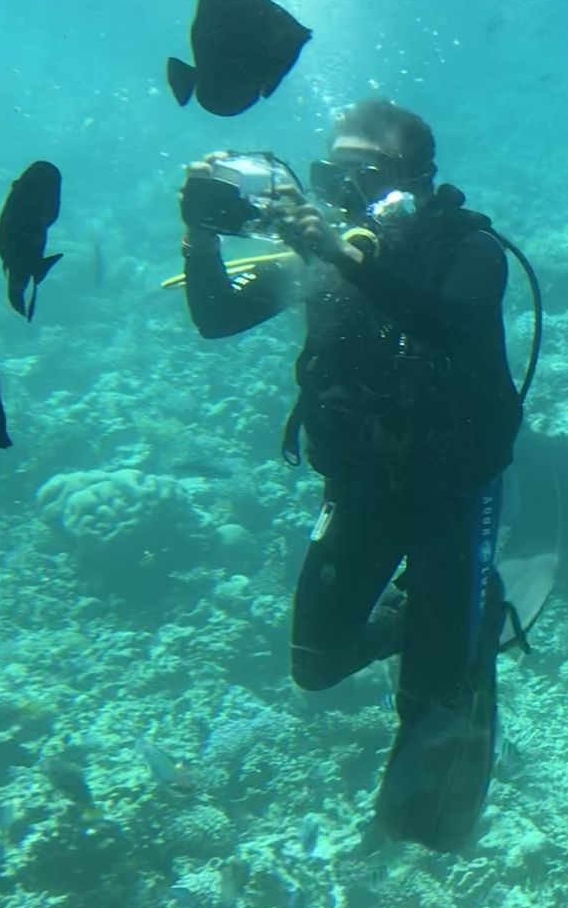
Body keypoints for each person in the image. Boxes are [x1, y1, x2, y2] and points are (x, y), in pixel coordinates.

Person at [180, 100, 523, 851]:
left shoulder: (470, 250)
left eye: (361, 171)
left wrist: (340, 255)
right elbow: (214, 316)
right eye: (332, 170)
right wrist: (201, 233)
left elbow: (454, 326)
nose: (340, 188)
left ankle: (462, 628)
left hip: (451, 494)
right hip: (363, 490)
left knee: (432, 699)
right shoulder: (319, 257)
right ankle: (422, 619)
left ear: (416, 178)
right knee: (315, 664)